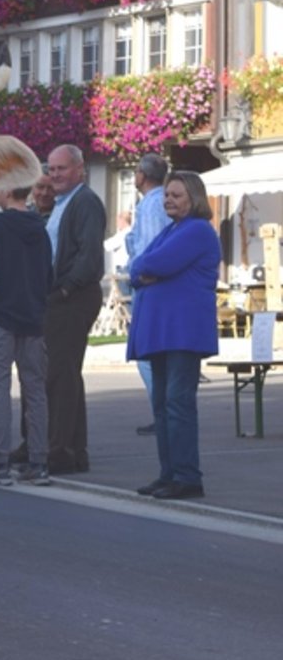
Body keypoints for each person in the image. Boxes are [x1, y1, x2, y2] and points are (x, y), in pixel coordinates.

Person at [128, 170, 219, 501]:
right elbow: (139, 266)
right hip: (165, 332)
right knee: (163, 406)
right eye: (167, 195)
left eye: (176, 195)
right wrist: (144, 270)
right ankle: (169, 473)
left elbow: (157, 264)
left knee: (177, 404)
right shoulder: (172, 230)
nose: (169, 200)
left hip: (182, 332)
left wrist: (146, 270)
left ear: (193, 199)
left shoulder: (196, 231)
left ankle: (186, 476)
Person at [0, 185, 53, 485]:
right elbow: (47, 275)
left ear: (5, 191)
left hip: (1, 316)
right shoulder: (39, 228)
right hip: (33, 316)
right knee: (36, 391)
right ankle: (38, 461)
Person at [41, 144, 107, 475]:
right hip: (64, 294)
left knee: (60, 375)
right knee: (65, 374)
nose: (55, 175)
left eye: (61, 169)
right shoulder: (62, 203)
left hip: (73, 296)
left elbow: (89, 253)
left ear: (79, 169)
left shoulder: (85, 202)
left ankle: (61, 450)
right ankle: (73, 450)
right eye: (51, 169)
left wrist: (66, 287)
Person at [124, 154, 171, 435]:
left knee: (147, 355)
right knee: (151, 355)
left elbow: (151, 248)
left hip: (149, 286)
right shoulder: (152, 203)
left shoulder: (152, 204)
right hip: (149, 284)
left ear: (142, 174)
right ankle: (163, 412)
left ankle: (162, 413)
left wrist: (141, 273)